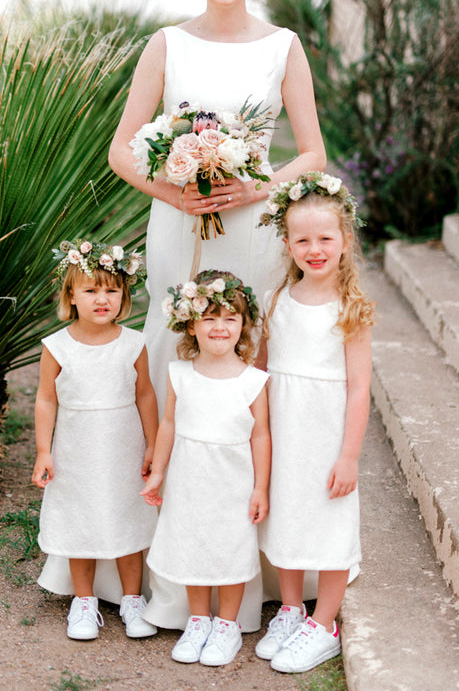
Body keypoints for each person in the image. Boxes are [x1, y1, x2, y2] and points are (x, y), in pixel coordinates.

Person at [108, 0, 326, 411]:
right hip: (178, 224)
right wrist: (175, 195)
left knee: (249, 336)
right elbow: (120, 151)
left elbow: (313, 152)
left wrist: (255, 188)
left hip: (254, 223)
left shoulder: (284, 47)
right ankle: (166, 471)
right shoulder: (167, 45)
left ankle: (248, 476)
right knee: (174, 331)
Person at [255, 172, 375, 673]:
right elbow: (261, 372)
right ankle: (290, 607)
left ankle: (324, 622)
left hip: (326, 433)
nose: (315, 248)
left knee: (326, 522)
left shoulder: (351, 308)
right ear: (287, 244)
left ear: (345, 242)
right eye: (302, 239)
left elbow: (359, 388)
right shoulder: (276, 300)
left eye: (325, 238)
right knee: (285, 517)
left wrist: (348, 455)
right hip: (284, 430)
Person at [141, 270, 271, 667]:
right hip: (189, 479)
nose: (219, 326)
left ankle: (227, 625)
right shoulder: (179, 374)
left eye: (230, 318)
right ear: (190, 324)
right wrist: (158, 472)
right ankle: (197, 621)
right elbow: (168, 425)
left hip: (233, 483)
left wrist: (260, 488)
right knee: (193, 547)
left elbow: (261, 436)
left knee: (230, 550)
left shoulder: (253, 380)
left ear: (243, 326)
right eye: (209, 317)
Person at [31, 239, 159, 641]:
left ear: (124, 294)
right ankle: (83, 601)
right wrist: (42, 451)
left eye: (111, 290)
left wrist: (153, 444)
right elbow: (46, 399)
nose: (102, 299)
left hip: (124, 447)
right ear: (71, 294)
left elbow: (145, 395)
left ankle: (132, 599)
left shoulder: (133, 342)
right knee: (80, 521)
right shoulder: (57, 346)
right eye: (91, 290)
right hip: (76, 450)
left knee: (128, 521)